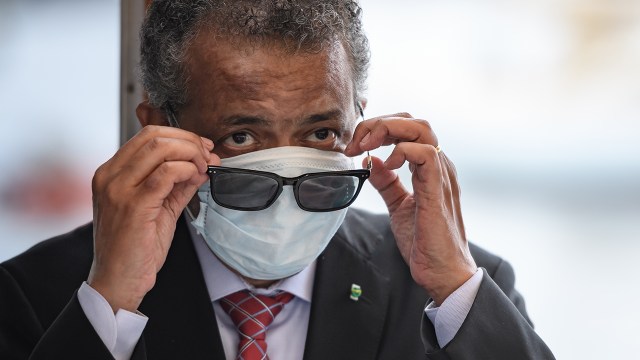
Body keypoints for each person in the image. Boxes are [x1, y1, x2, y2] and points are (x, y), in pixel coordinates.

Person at [0, 1, 555, 359]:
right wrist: (111, 303)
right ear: (159, 130)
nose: (288, 175)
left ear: (357, 121)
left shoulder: (453, 295)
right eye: (242, 137)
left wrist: (454, 283)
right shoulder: (43, 298)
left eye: (319, 134)